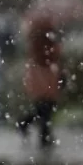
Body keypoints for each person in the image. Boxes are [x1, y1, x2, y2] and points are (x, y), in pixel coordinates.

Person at [19, 20, 63, 149]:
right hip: (46, 77)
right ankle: (44, 136)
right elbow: (54, 56)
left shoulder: (35, 43)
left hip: (39, 77)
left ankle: (26, 124)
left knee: (42, 109)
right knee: (45, 109)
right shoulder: (48, 44)